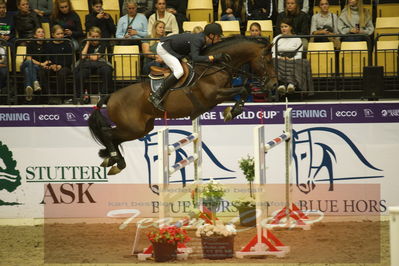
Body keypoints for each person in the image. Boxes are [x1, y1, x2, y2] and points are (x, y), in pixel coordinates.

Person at [148, 23, 229, 111]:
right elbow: (196, 58)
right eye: (218, 36)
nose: (219, 39)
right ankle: (156, 95)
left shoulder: (205, 40)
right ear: (211, 35)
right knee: (179, 71)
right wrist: (213, 57)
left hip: (175, 49)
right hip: (164, 48)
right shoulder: (198, 40)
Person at [272, 18, 313, 94]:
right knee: (274, 61)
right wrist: (280, 57)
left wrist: (291, 59)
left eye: (285, 26)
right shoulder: (276, 38)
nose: (283, 29)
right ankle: (281, 84)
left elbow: (299, 55)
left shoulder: (297, 39)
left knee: (304, 62)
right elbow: (273, 53)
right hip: (279, 59)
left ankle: (291, 84)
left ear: (291, 27)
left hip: (292, 60)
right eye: (282, 27)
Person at [74, 26, 113, 101]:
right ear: (89, 36)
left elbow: (95, 58)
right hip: (87, 66)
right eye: (93, 36)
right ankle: (81, 95)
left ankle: (103, 94)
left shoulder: (103, 43)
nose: (95, 38)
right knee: (80, 73)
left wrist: (87, 56)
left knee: (107, 70)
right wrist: (88, 43)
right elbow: (82, 56)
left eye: (97, 36)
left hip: (99, 65)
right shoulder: (84, 43)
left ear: (100, 36)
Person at [42, 24, 73, 104]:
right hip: (52, 66)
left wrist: (60, 65)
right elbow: (47, 58)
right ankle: (48, 96)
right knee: (43, 71)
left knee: (62, 73)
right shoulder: (49, 45)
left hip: (65, 66)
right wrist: (51, 65)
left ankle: (60, 97)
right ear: (53, 35)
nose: (60, 35)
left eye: (62, 33)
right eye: (58, 34)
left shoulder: (67, 44)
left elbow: (69, 59)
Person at [20, 27, 50, 102]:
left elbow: (49, 59)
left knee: (28, 70)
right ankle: (35, 81)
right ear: (35, 35)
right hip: (26, 64)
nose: (41, 33)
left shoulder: (47, 45)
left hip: (36, 67)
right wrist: (41, 64)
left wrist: (44, 63)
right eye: (39, 32)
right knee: (29, 63)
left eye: (43, 32)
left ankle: (28, 90)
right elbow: (29, 58)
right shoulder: (30, 44)